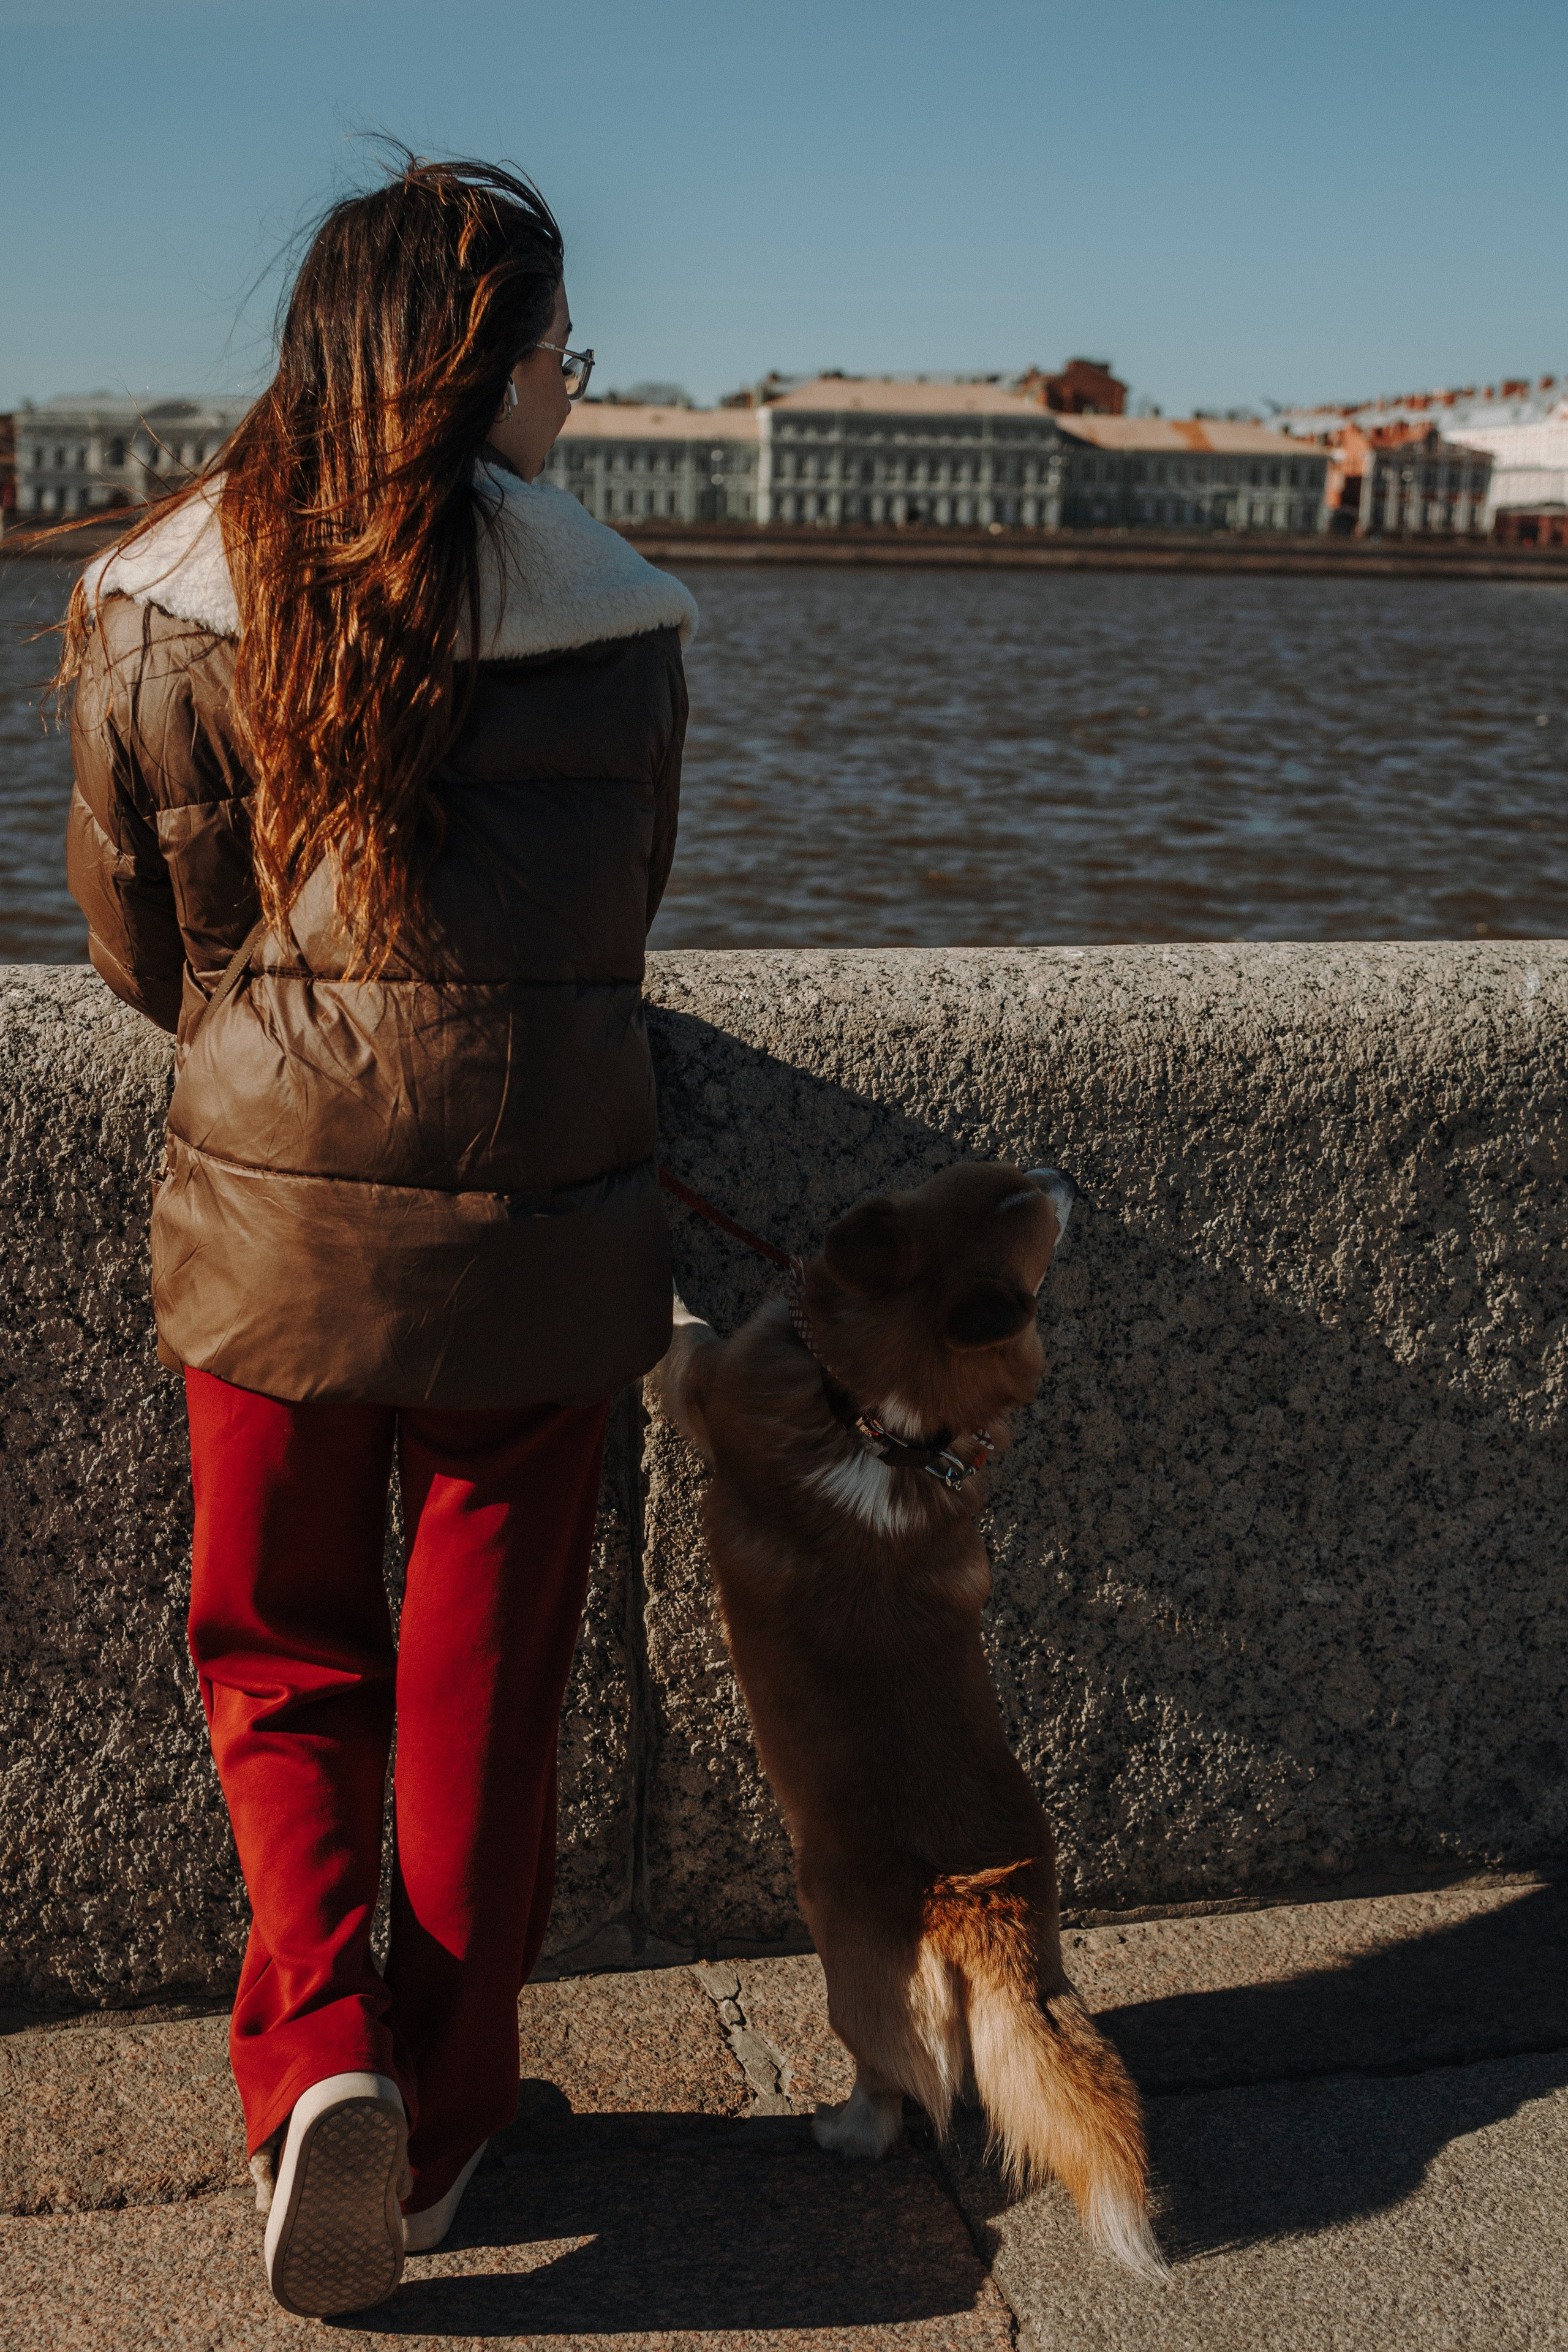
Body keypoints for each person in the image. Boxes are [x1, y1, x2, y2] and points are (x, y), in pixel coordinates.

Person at [59, 156, 695, 2319]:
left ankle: (321, 2054)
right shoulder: (623, 625)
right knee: (483, 1682)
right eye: (559, 363)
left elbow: (151, 943)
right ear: (476, 370)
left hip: (269, 1235)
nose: (573, 409)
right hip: (552, 1228)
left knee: (281, 1656)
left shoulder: (163, 606)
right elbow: (618, 928)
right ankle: (450, 2101)